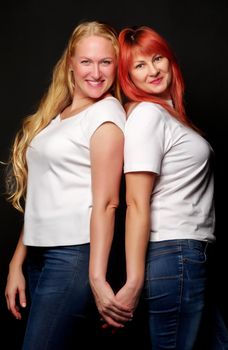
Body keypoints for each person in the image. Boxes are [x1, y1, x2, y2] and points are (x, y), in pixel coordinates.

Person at [4, 20, 132, 350]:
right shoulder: (59, 117)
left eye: (106, 62)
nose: (96, 72)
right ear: (70, 63)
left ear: (116, 66)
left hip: (74, 257)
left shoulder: (106, 115)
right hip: (39, 257)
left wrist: (96, 278)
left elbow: (107, 203)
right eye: (87, 61)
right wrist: (16, 262)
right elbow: (42, 197)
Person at [114, 25, 228, 349]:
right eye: (139, 66)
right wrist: (134, 281)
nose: (152, 70)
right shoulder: (148, 115)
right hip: (174, 253)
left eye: (157, 58)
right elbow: (136, 202)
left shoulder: (170, 116)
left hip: (191, 255)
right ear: (129, 77)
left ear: (169, 60)